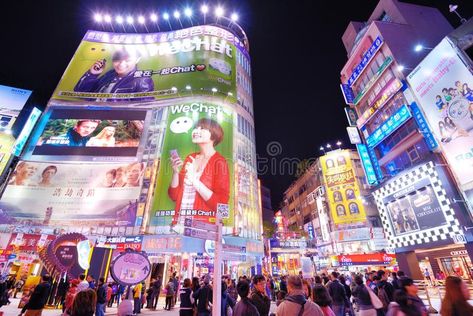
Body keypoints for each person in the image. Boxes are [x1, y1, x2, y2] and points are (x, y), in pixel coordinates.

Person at [169, 118, 230, 226]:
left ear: (214, 134)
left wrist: (194, 180)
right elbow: (174, 196)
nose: (196, 131)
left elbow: (222, 206)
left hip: (204, 229)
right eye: (195, 128)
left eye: (202, 128)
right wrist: (175, 173)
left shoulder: (220, 162)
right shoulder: (190, 158)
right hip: (179, 225)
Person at [74, 49, 154, 99]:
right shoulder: (110, 74)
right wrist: (92, 74)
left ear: (137, 60)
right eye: (117, 60)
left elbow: (144, 110)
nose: (121, 64)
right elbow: (80, 92)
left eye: (127, 60)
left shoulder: (143, 80)